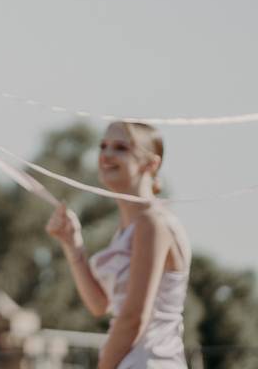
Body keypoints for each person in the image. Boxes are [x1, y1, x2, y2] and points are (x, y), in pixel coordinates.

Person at [46, 121, 191, 368]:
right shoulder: (130, 228)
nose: (106, 154)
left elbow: (133, 318)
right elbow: (100, 305)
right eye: (103, 146)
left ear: (151, 163)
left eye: (121, 147)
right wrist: (73, 245)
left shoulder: (152, 223)